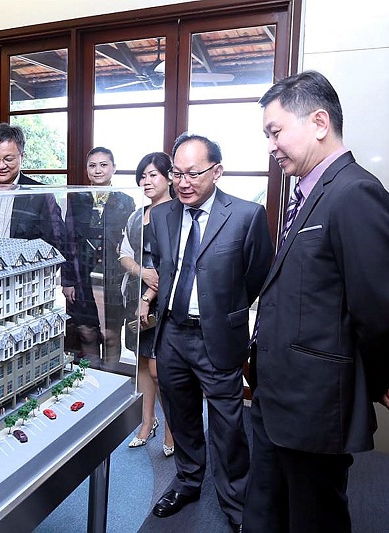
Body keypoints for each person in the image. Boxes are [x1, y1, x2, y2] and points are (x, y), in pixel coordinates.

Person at [242, 71, 389, 533]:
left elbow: (381, 311)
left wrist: (377, 376)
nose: (271, 146)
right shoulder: (308, 192)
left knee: (314, 517)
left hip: (314, 402)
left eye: (275, 132)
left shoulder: (355, 193)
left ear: (319, 122)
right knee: (265, 509)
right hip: (277, 391)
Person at [147, 133, 274, 531]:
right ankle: (187, 482)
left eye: (193, 174)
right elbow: (164, 268)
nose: (183, 183)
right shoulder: (163, 216)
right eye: (176, 173)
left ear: (217, 172)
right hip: (172, 334)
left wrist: (223, 313)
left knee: (228, 427)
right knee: (180, 415)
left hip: (216, 337)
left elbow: (257, 275)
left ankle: (236, 503)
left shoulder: (246, 215)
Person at [119, 152, 176, 455]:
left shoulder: (177, 213)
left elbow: (172, 264)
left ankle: (172, 429)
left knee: (159, 370)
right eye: (142, 175)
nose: (146, 181)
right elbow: (124, 254)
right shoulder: (135, 215)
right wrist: (141, 272)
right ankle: (146, 422)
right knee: (141, 362)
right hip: (135, 296)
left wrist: (148, 295)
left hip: (165, 302)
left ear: (169, 177)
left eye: (153, 174)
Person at [61, 147, 135, 371]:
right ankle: (91, 380)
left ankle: (110, 381)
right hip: (82, 275)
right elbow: (68, 240)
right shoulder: (76, 199)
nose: (98, 170)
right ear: (87, 169)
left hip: (113, 277)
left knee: (111, 334)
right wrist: (67, 281)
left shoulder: (126, 200)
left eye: (103, 165)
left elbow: (131, 242)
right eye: (92, 165)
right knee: (86, 331)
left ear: (114, 168)